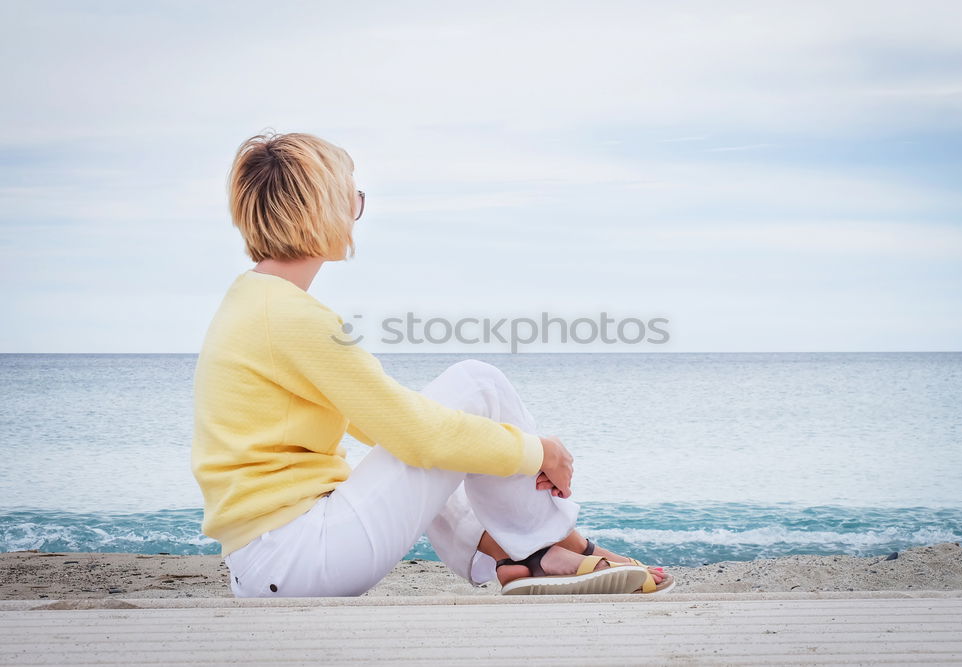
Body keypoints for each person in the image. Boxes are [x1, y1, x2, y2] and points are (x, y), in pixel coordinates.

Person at [190, 130, 673, 597]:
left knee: (437, 440)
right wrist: (539, 452)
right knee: (478, 386)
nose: (357, 211)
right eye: (351, 196)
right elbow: (416, 434)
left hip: (273, 560)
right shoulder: (290, 316)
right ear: (320, 209)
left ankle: (528, 557)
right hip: (295, 558)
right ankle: (560, 547)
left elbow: (387, 429)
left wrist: (485, 450)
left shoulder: (255, 303)